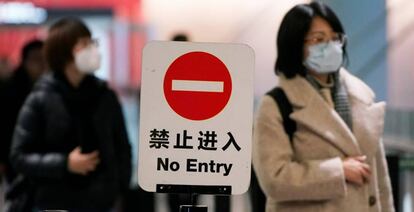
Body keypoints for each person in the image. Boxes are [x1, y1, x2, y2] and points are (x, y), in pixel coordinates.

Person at [252, 2, 394, 212]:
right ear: (294, 46)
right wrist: (338, 171)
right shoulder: (277, 105)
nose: (330, 46)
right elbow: (274, 179)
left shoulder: (362, 97)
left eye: (335, 38)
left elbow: (381, 181)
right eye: (318, 40)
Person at [9, 18, 132, 211]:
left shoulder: (105, 96)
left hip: (100, 203)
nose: (92, 49)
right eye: (84, 44)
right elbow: (19, 156)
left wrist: (118, 190)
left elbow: (122, 148)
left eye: (92, 42)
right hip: (52, 202)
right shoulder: (41, 97)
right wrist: (64, 163)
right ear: (63, 52)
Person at [0, 40, 46, 185]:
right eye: (36, 59)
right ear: (25, 62)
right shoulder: (9, 92)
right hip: (15, 161)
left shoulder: (53, 89)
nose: (42, 65)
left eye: (45, 59)